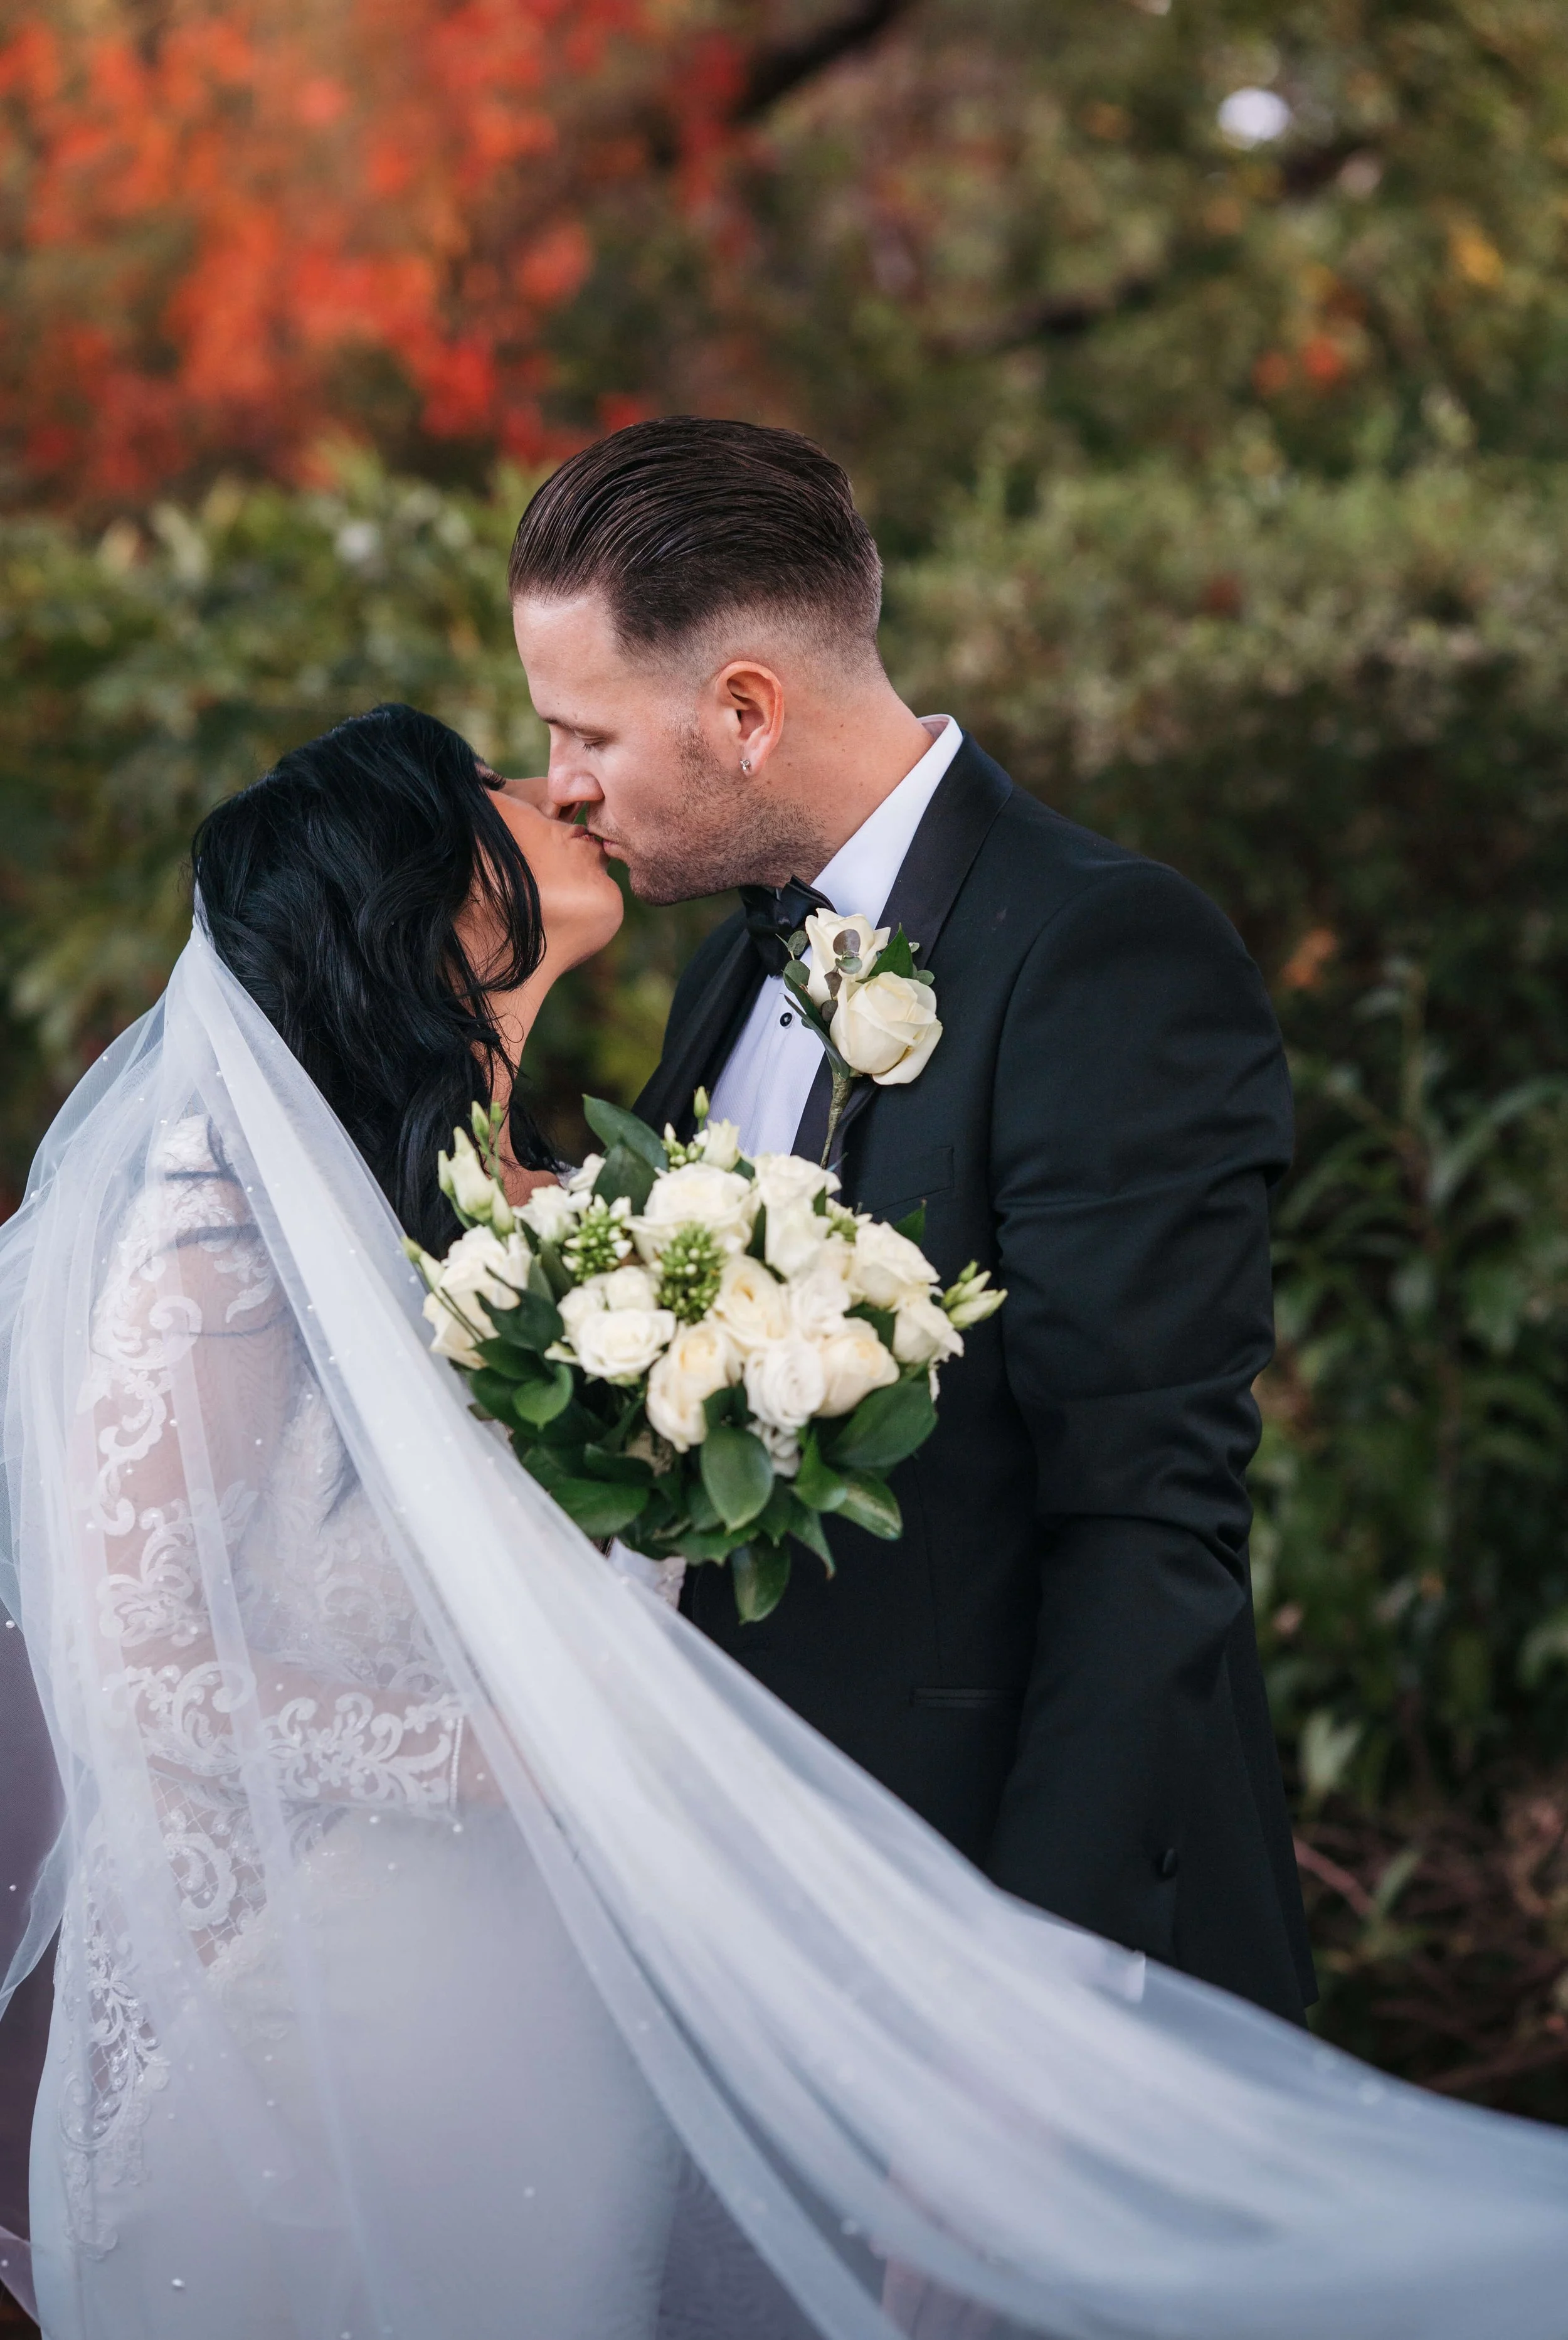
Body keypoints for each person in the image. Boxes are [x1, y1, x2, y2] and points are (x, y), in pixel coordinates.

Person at [4, 701, 1568, 2340]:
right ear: (422, 895)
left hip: (569, 2006)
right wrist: (525, 1753)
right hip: (334, 2007)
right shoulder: (218, 1235)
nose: (555, 790)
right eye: (492, 788)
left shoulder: (558, 1200)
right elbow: (143, 1680)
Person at [507, 417, 1315, 2024]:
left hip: (1004, 1937)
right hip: (752, 1921)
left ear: (744, 711)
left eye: (582, 730)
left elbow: (1145, 1533)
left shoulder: (1101, 954)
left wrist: (1024, 2019)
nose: (560, 785)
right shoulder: (740, 951)